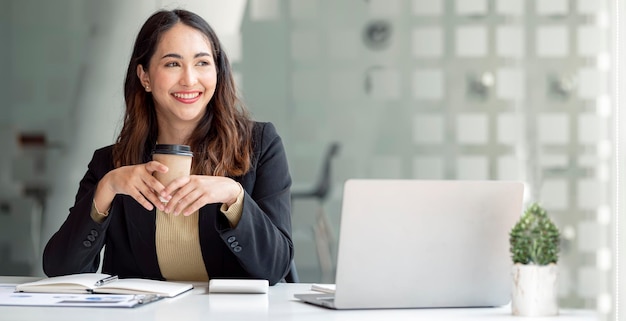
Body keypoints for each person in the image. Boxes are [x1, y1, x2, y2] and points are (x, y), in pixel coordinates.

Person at [42, 9, 293, 285]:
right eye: (172, 64)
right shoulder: (113, 164)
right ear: (145, 76)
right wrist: (107, 189)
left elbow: (276, 268)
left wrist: (235, 198)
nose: (189, 79)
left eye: (202, 63)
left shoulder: (259, 145)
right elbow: (60, 270)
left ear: (218, 72)